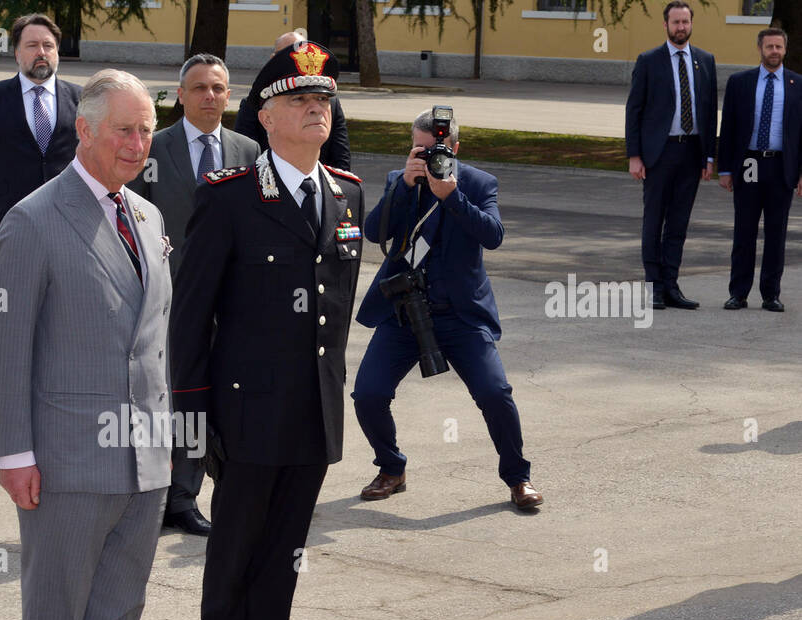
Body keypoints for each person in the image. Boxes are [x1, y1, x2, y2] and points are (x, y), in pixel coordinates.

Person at [0, 70, 173, 620]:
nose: (137, 143)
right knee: (58, 616)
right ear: (84, 130)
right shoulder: (33, 221)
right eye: (124, 129)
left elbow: (155, 340)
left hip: (143, 456)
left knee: (118, 612)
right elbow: (8, 349)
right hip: (65, 457)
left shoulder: (150, 219)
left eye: (146, 129)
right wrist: (14, 453)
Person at [170, 42, 363, 620]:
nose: (319, 108)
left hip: (312, 410)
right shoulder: (231, 198)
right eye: (302, 99)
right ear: (267, 115)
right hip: (246, 412)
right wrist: (193, 418)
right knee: (236, 553)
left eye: (325, 99)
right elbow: (191, 316)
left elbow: (332, 313)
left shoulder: (346, 193)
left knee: (284, 553)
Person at [352, 110, 543, 512]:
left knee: (495, 394)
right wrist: (405, 184)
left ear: (454, 149)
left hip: (461, 314)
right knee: (368, 394)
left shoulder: (477, 183)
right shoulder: (399, 180)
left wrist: (451, 196)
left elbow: (493, 236)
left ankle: (518, 477)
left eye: (435, 150)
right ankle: (391, 468)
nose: (426, 157)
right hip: (404, 310)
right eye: (418, 149)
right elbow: (373, 233)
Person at [127, 53, 260, 538]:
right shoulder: (152, 149)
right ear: (179, 95)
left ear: (229, 96)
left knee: (215, 398)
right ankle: (163, 495)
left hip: (232, 303)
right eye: (199, 88)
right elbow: (129, 214)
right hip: (168, 301)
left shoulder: (248, 152)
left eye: (218, 89)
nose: (209, 96)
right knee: (169, 397)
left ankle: (196, 492)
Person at [0, 13, 82, 273]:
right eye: (32, 45)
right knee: (9, 306)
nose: (41, 52)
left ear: (57, 51)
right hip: (8, 224)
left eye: (48, 46)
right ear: (17, 53)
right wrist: (1, 195)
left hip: (69, 225)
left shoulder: (81, 99)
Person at [624, 1, 717, 310]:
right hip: (658, 153)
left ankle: (672, 285)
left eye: (685, 22)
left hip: (691, 152)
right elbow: (634, 110)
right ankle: (654, 287)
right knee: (654, 220)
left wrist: (709, 157)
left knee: (678, 223)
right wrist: (634, 155)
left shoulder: (705, 61)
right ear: (665, 25)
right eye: (676, 22)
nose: (681, 27)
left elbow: (708, 111)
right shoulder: (649, 61)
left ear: (691, 24)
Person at [717, 27, 802, 312]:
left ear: (785, 49)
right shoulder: (740, 82)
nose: (774, 51)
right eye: (769, 47)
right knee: (744, 231)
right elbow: (727, 128)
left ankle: (771, 295)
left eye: (779, 47)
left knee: (776, 233)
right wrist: (725, 169)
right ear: (760, 49)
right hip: (749, 163)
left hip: (781, 165)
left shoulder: (797, 84)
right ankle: (738, 293)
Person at [234, 32, 351, 171]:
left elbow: (341, 158)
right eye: (299, 99)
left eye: (322, 98)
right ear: (266, 118)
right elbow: (245, 154)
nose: (316, 108)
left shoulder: (332, 105)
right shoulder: (255, 104)